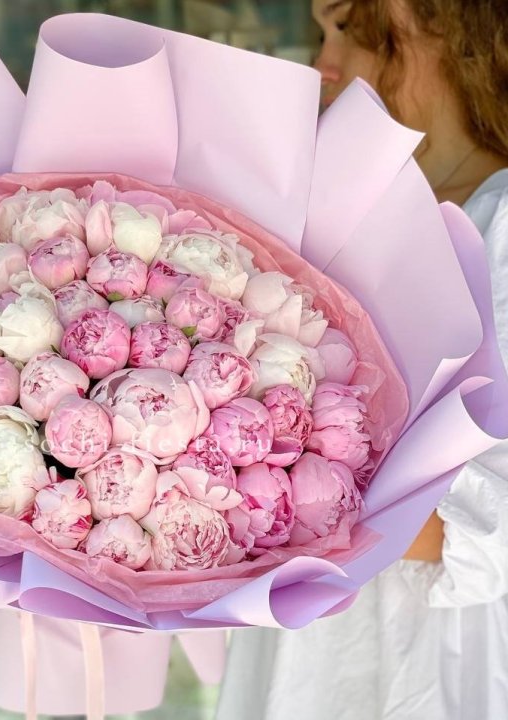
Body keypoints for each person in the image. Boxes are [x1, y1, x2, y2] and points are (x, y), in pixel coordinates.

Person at [215, 1, 508, 718]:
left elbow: (491, 521)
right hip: (309, 648)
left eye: (348, 29)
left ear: (445, 25)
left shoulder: (499, 222)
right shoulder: (340, 212)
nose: (325, 63)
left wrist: (240, 486)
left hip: (429, 656)